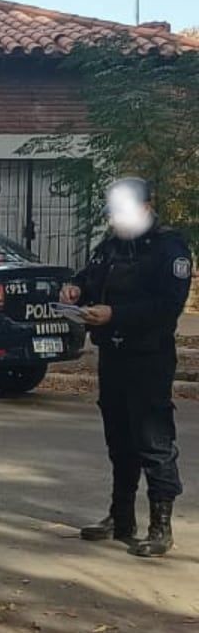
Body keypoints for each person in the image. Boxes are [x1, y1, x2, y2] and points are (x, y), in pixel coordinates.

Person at [60, 177, 192, 557]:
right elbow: (89, 278)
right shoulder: (111, 247)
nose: (116, 222)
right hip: (113, 355)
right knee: (119, 438)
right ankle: (120, 517)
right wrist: (74, 289)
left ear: (147, 208)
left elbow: (167, 307)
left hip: (148, 358)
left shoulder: (169, 249)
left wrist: (115, 314)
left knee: (152, 438)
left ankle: (159, 526)